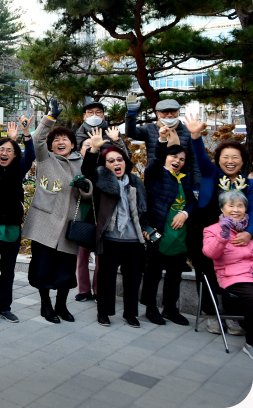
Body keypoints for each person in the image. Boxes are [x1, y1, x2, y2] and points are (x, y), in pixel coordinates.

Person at [22, 99, 92, 324]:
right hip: (44, 224)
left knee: (66, 271)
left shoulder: (82, 162)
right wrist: (49, 118)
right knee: (43, 269)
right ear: (51, 145)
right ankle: (46, 305)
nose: (61, 142)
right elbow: (37, 139)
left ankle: (61, 304)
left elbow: (90, 190)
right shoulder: (45, 158)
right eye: (57, 140)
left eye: (66, 139)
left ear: (73, 144)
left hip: (70, 227)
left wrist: (86, 188)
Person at [184, 114, 253, 335]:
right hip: (206, 234)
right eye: (225, 157)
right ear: (219, 159)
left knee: (235, 275)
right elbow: (201, 157)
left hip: (236, 238)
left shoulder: (248, 184)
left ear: (243, 161)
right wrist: (195, 135)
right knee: (206, 274)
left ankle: (232, 317)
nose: (230, 161)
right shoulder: (211, 173)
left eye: (236, 157)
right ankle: (211, 315)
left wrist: (249, 233)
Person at [82, 129, 149, 327]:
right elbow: (86, 172)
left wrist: (118, 140)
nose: (116, 163)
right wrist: (94, 148)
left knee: (133, 278)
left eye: (119, 159)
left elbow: (142, 209)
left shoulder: (135, 182)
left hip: (133, 239)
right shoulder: (101, 181)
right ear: (104, 165)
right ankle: (103, 312)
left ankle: (130, 314)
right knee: (106, 278)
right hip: (110, 237)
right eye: (110, 161)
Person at [0, 118, 35, 324]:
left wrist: (26, 132)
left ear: (15, 155)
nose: (5, 153)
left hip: (11, 229)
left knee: (8, 272)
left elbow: (31, 155)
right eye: (1, 149)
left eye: (10, 150)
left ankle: (5, 307)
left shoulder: (18, 171)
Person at [140, 128, 196, 326]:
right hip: (159, 234)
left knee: (174, 275)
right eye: (174, 156)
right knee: (153, 274)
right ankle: (150, 308)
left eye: (181, 159)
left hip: (180, 237)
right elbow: (155, 160)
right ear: (166, 157)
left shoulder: (185, 178)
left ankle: (170, 308)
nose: (177, 161)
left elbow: (191, 202)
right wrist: (162, 140)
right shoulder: (155, 174)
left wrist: (185, 213)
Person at [202, 191, 253, 359]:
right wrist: (223, 236)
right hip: (232, 277)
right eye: (231, 206)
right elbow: (210, 253)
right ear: (222, 209)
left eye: (240, 205)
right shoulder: (212, 230)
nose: (236, 210)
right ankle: (251, 344)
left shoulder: (248, 231)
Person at [126, 97, 200, 187]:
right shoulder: (150, 129)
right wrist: (131, 115)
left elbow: (194, 160)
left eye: (173, 111)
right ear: (158, 114)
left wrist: (196, 185)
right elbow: (131, 133)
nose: (169, 115)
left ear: (179, 112)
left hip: (181, 181)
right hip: (155, 180)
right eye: (165, 112)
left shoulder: (187, 131)